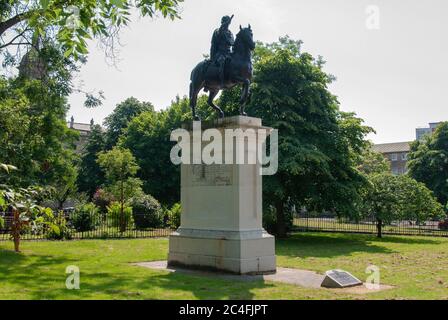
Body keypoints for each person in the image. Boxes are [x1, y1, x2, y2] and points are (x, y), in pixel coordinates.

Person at [210, 15, 235, 86]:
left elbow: (232, 42)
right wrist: (223, 28)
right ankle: (221, 82)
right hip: (220, 53)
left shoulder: (230, 33)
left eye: (228, 22)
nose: (227, 23)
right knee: (222, 62)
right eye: (225, 22)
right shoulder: (217, 31)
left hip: (228, 53)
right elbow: (215, 40)